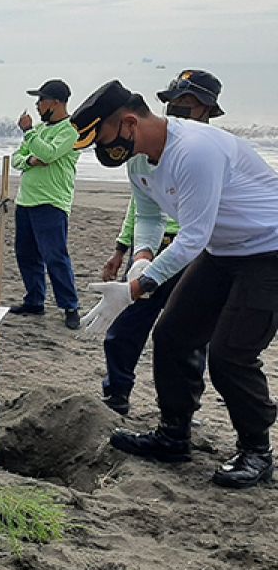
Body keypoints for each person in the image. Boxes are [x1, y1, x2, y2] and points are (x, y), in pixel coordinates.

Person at [73, 79, 278, 490]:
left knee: (229, 355)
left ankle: (257, 450)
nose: (102, 150)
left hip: (268, 250)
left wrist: (135, 289)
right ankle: (173, 435)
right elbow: (149, 217)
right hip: (223, 251)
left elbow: (192, 237)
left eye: (105, 138)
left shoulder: (195, 151)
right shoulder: (138, 159)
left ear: (130, 123)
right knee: (172, 336)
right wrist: (142, 258)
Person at [97, 70, 221, 415]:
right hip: (154, 248)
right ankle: (116, 393)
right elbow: (142, 206)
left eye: (187, 103)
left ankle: (183, 409)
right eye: (173, 101)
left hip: (197, 255)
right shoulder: (148, 150)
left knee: (188, 337)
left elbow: (203, 227)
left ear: (208, 110)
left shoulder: (207, 153)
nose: (177, 108)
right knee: (126, 324)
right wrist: (124, 250)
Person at [9, 79, 81, 329]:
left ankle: (70, 306)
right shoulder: (40, 130)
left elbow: (49, 154)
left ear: (57, 102)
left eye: (41, 100)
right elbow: (16, 160)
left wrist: (29, 133)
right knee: (26, 254)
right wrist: (30, 159)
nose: (37, 105)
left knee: (55, 255)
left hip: (52, 201)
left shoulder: (70, 131)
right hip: (26, 200)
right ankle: (34, 299)